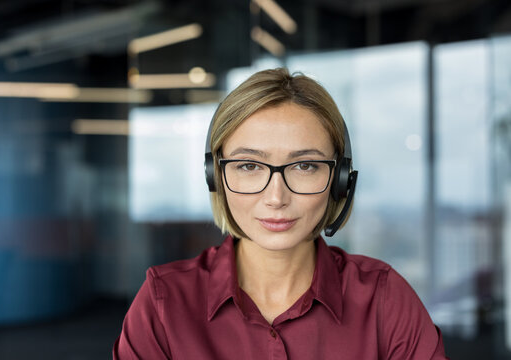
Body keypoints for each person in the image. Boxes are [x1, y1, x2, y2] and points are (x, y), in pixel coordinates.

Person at [113, 68, 448, 359]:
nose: (276, 197)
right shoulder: (163, 303)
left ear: (340, 180)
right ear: (215, 175)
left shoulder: (385, 300)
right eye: (248, 165)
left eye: (305, 165)